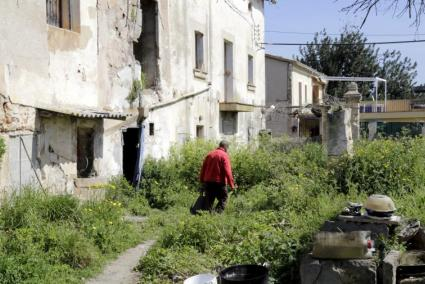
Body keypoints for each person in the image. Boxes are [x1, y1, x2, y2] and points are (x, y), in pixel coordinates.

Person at [199, 140, 236, 213]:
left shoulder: (210, 154)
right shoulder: (224, 155)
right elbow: (228, 172)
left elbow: (203, 169)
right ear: (225, 147)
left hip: (208, 182)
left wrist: (202, 181)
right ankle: (217, 214)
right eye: (227, 148)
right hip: (219, 183)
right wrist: (232, 185)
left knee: (209, 201)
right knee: (224, 198)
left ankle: (207, 217)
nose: (227, 150)